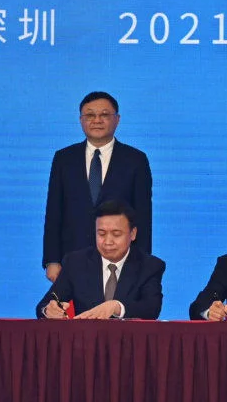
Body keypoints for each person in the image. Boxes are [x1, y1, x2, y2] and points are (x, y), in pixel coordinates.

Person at [42, 91, 152, 283]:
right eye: (90, 115)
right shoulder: (64, 159)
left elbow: (143, 216)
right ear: (81, 120)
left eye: (104, 115)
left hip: (120, 260)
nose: (97, 120)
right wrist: (52, 260)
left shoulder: (135, 160)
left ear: (117, 119)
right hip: (72, 258)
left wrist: (140, 262)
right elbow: (54, 212)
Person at [36, 200, 165, 320]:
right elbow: (45, 304)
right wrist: (49, 310)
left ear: (132, 234)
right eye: (101, 234)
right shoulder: (76, 263)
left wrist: (117, 307)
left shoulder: (150, 266)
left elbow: (151, 308)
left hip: (130, 342)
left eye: (116, 234)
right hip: (86, 341)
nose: (108, 242)